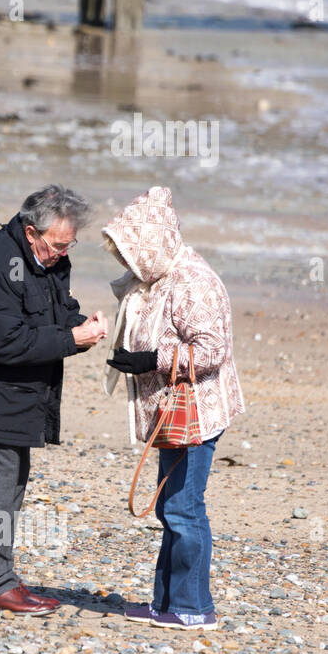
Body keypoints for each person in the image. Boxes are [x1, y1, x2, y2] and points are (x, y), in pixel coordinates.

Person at [0, 185, 108, 616]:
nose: (64, 254)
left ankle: (1, 578)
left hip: (17, 398)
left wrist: (80, 325)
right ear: (31, 233)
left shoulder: (47, 258)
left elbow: (55, 308)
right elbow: (7, 343)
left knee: (8, 491)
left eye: (70, 245)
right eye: (58, 245)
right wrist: (72, 339)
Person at [101, 186, 244, 631]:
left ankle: (194, 607)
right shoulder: (161, 276)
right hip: (174, 410)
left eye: (128, 254)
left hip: (195, 412)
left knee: (185, 508)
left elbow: (213, 350)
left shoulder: (194, 282)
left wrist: (150, 360)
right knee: (171, 507)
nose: (125, 264)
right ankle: (166, 604)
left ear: (152, 245)